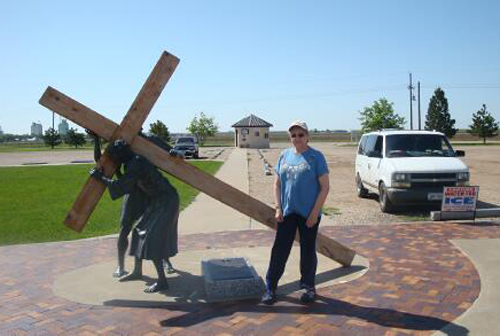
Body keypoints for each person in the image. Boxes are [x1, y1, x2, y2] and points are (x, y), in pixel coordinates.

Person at [90, 139, 180, 293]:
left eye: (117, 156)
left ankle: (162, 281)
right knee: (138, 231)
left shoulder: (136, 163)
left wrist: (100, 178)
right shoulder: (133, 161)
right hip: (158, 200)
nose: (116, 160)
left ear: (123, 153)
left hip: (166, 200)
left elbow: (122, 186)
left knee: (151, 238)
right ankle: (137, 271)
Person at [262, 121, 330, 305]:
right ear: (290, 138)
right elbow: (276, 183)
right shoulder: (284, 156)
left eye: (301, 134)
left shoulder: (316, 157)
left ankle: (308, 287)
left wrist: (314, 214)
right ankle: (270, 288)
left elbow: (325, 188)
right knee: (279, 251)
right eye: (293, 135)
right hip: (287, 213)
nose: (297, 138)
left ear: (308, 136)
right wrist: (278, 207)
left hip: (309, 214)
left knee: (308, 252)